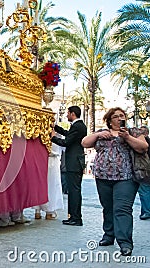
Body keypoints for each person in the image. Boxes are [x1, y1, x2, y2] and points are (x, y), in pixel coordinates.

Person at [81, 107, 147, 256]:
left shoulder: (133, 132)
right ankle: (109, 235)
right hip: (103, 176)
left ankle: (124, 242)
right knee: (108, 207)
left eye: (121, 116)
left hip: (126, 177)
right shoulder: (102, 132)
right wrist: (98, 134)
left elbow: (143, 147)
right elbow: (84, 143)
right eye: (115, 116)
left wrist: (128, 138)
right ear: (109, 120)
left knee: (122, 209)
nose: (118, 118)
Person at [51, 106, 87, 226]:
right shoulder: (79, 126)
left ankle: (75, 218)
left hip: (74, 163)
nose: (66, 115)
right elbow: (68, 134)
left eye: (68, 113)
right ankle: (74, 217)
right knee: (74, 191)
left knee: (74, 191)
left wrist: (53, 138)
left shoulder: (78, 126)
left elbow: (66, 141)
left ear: (72, 114)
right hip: (76, 163)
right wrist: (56, 128)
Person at [34, 142, 64, 219]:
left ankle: (37, 210)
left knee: (39, 184)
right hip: (52, 159)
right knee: (52, 185)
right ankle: (49, 211)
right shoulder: (57, 133)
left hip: (39, 158)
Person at [137, 126, 150, 220]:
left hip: (145, 169)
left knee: (144, 190)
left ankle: (146, 211)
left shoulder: (143, 143)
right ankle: (144, 210)